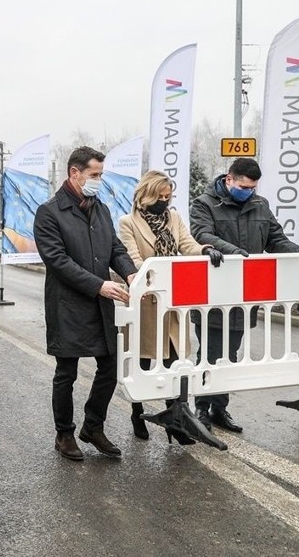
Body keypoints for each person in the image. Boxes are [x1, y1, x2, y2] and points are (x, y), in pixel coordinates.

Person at [33, 146, 138, 462]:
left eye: (101, 175)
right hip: (69, 304)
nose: (99, 181)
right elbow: (57, 260)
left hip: (100, 304)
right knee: (67, 371)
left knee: (110, 365)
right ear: (74, 173)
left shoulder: (101, 209)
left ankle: (93, 426)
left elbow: (115, 248)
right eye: (95, 175)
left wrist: (131, 274)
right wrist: (99, 286)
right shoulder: (50, 212)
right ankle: (64, 433)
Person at [190, 157, 299, 434]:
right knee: (210, 353)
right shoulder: (204, 204)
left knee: (230, 354)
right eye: (243, 186)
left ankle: (220, 408)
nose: (248, 191)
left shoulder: (260, 204)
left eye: (252, 187)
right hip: (213, 294)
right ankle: (202, 408)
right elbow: (201, 233)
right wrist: (232, 252)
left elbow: (275, 239)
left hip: (244, 295)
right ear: (229, 179)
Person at [118, 170, 224, 443]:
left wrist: (204, 250)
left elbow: (186, 245)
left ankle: (174, 421)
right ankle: (137, 412)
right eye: (160, 197)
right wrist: (158, 278)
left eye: (168, 196)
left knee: (174, 360)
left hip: (173, 304)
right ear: (146, 195)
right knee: (141, 361)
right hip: (145, 303)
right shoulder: (128, 222)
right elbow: (133, 259)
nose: (165, 201)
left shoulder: (174, 218)